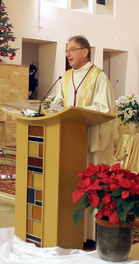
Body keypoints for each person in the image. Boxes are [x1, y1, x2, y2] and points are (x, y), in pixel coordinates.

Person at [53, 35, 118, 241]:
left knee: (92, 185)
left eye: (71, 50)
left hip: (90, 141)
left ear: (85, 51)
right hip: (70, 140)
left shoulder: (98, 77)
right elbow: (58, 101)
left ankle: (90, 234)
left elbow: (104, 109)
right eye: (66, 50)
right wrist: (56, 107)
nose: (67, 54)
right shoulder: (66, 76)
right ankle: (72, 232)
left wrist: (74, 110)